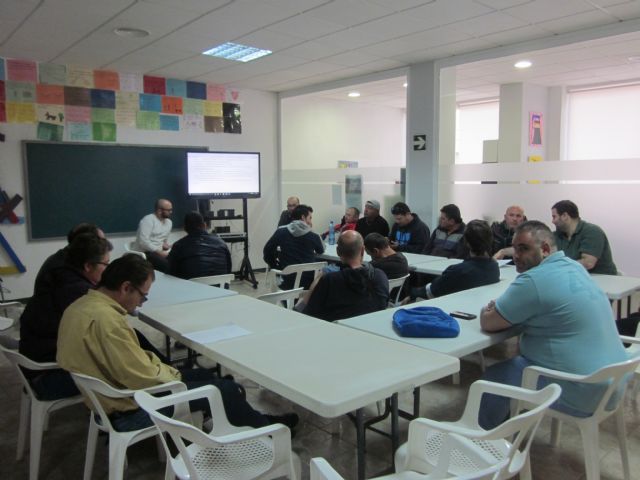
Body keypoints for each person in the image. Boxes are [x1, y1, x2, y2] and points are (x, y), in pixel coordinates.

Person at [56, 254, 298, 432]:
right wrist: (173, 373)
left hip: (110, 396)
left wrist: (170, 370)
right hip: (131, 408)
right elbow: (143, 377)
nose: (141, 303)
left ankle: (248, 418)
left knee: (207, 377)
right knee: (222, 389)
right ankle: (266, 429)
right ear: (126, 287)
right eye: (143, 296)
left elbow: (133, 368)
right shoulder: (108, 322)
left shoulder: (80, 306)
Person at [478, 221, 627, 429]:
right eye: (515, 249)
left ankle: (484, 440)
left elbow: (489, 322)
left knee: (491, 379)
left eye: (523, 248)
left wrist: (486, 309)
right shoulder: (574, 267)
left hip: (584, 392)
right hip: (613, 384)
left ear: (546, 249)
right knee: (517, 364)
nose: (516, 255)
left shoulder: (533, 280)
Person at [19, 233, 112, 399]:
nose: (108, 270)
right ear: (88, 266)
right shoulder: (77, 291)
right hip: (47, 376)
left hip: (34, 366)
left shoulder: (60, 273)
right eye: (106, 264)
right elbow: (100, 336)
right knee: (119, 366)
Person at [298, 231, 389, 321]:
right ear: (362, 250)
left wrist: (316, 282)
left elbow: (309, 314)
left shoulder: (330, 280)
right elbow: (383, 306)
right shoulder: (380, 276)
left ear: (338, 251)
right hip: (370, 326)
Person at [411, 220, 500, 299]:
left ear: (467, 243)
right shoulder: (494, 267)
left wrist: (412, 293)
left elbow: (431, 292)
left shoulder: (457, 271)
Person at [263, 204, 324, 290]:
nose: (311, 222)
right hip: (309, 282)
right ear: (303, 217)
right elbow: (321, 250)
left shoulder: (281, 231)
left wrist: (276, 266)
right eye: (310, 218)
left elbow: (267, 251)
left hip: (287, 281)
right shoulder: (314, 235)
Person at [551, 200, 617, 275]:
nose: (552, 221)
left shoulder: (592, 231)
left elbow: (588, 263)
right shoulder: (556, 235)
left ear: (564, 216)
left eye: (554, 217)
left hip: (602, 278)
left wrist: (558, 267)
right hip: (574, 276)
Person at [168, 211, 231, 280]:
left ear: (185, 228)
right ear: (204, 225)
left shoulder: (179, 246)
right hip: (220, 286)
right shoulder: (221, 242)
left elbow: (171, 272)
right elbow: (228, 268)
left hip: (192, 286)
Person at [135, 198, 173, 273]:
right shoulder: (148, 220)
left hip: (159, 252)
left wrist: (167, 246)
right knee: (167, 265)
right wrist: (159, 252)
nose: (171, 212)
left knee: (178, 261)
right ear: (159, 210)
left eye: (171, 210)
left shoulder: (169, 223)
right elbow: (143, 242)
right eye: (168, 210)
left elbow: (163, 241)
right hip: (146, 252)